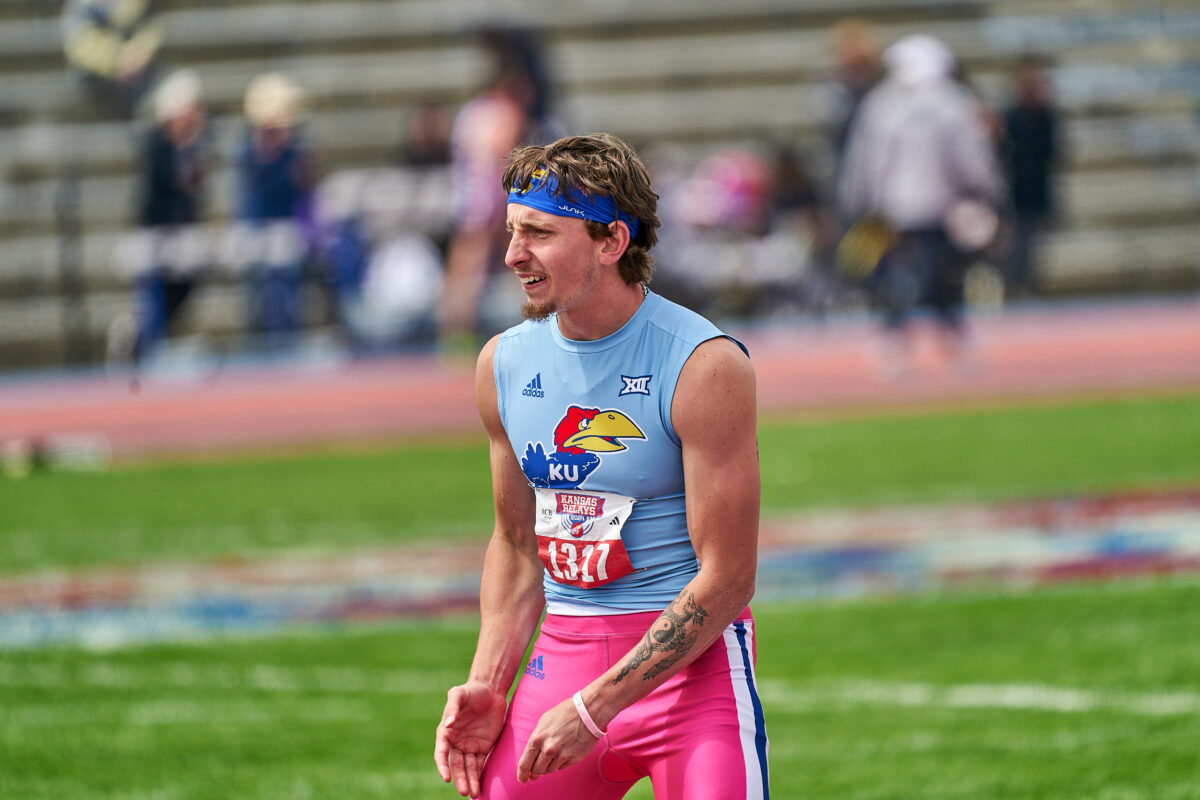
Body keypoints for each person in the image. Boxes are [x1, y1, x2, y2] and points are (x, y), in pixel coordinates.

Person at [434, 133, 768, 799]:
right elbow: (517, 543)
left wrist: (596, 708)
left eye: (538, 233)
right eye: (511, 230)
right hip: (562, 663)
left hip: (691, 680)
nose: (512, 254)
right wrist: (487, 682)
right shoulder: (503, 362)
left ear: (612, 241)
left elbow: (729, 579)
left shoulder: (703, 364)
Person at [838, 34, 1004, 370]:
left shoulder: (881, 103)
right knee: (934, 277)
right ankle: (930, 338)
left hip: (892, 208)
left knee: (914, 277)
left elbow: (866, 160)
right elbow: (971, 158)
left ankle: (904, 340)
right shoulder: (953, 102)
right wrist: (990, 191)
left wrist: (859, 201)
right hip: (938, 206)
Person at [436, 25, 565, 355]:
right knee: (499, 260)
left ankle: (459, 334)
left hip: (474, 195)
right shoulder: (502, 112)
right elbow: (502, 157)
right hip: (490, 196)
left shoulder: (476, 110)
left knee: (474, 263)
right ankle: (462, 333)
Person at [129, 68, 210, 363]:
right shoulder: (157, 142)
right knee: (154, 282)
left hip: (182, 230)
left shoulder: (194, 143)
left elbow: (197, 190)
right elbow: (165, 187)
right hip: (156, 230)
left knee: (190, 276)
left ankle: (162, 332)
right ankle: (146, 339)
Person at [234, 72, 316, 345]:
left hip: (291, 228)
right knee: (261, 289)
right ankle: (261, 339)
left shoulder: (296, 150)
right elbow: (253, 193)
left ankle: (288, 337)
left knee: (286, 281)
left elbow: (305, 188)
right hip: (257, 228)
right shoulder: (249, 151)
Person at [999, 55, 1059, 298]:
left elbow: (1052, 151)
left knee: (1031, 242)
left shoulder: (1045, 116)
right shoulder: (1011, 116)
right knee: (1016, 243)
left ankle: (1024, 284)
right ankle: (1013, 285)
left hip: (1035, 190)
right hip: (1014, 191)